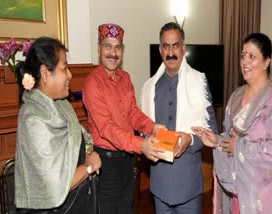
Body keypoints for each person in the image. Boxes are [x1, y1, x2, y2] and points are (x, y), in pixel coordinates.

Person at [192, 33, 272, 213]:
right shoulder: (236, 96)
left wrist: (241, 148)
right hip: (240, 191)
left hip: (265, 197)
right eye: (243, 55)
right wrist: (216, 141)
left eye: (252, 56)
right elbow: (230, 137)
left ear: (266, 62)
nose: (245, 61)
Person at [82, 23, 165, 213]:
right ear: (99, 48)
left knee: (127, 209)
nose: (113, 52)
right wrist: (141, 145)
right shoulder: (92, 84)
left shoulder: (125, 77)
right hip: (105, 163)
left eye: (117, 47)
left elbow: (132, 112)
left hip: (127, 161)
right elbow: (106, 128)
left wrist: (152, 127)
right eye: (108, 46)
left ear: (122, 50)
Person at [14, 37, 102, 214]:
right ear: (45, 73)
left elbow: (82, 137)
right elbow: (56, 187)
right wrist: (89, 166)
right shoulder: (33, 119)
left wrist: (89, 151)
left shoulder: (62, 104)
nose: (70, 74)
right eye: (64, 68)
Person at [141, 22, 218, 214]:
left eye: (175, 45)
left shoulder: (199, 81)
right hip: (160, 183)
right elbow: (142, 128)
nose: (171, 52)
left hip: (188, 183)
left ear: (183, 48)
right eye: (166, 46)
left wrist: (190, 139)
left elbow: (212, 131)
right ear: (160, 50)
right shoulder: (149, 87)